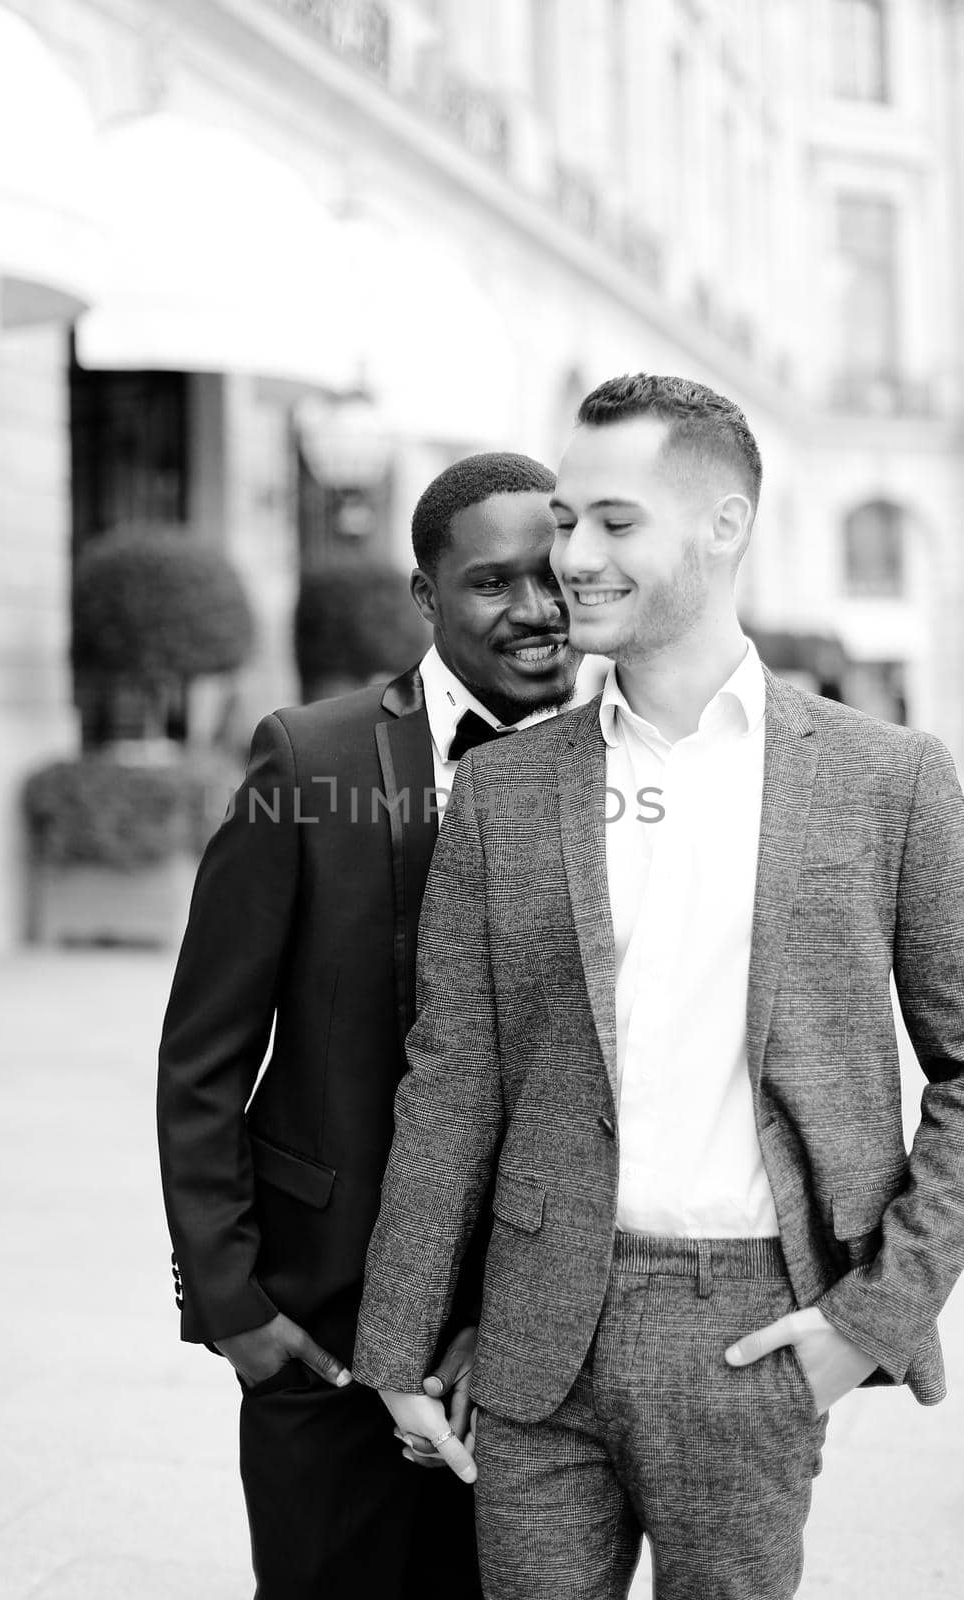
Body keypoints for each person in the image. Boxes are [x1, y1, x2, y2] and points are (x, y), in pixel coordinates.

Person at [354, 375, 964, 1599]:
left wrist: (869, 1319)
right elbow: (453, 1075)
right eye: (567, 518)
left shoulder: (884, 781)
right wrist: (395, 1346)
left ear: (722, 525)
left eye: (612, 522)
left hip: (750, 1323)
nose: (570, 555)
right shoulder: (508, 790)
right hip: (531, 1335)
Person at [156, 451, 582, 1600]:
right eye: (493, 582)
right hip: (320, 1323)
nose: (537, 609)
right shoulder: (311, 757)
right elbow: (203, 1051)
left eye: (554, 575)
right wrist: (233, 1306)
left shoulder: (627, 768)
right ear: (424, 596)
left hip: (545, 1351)